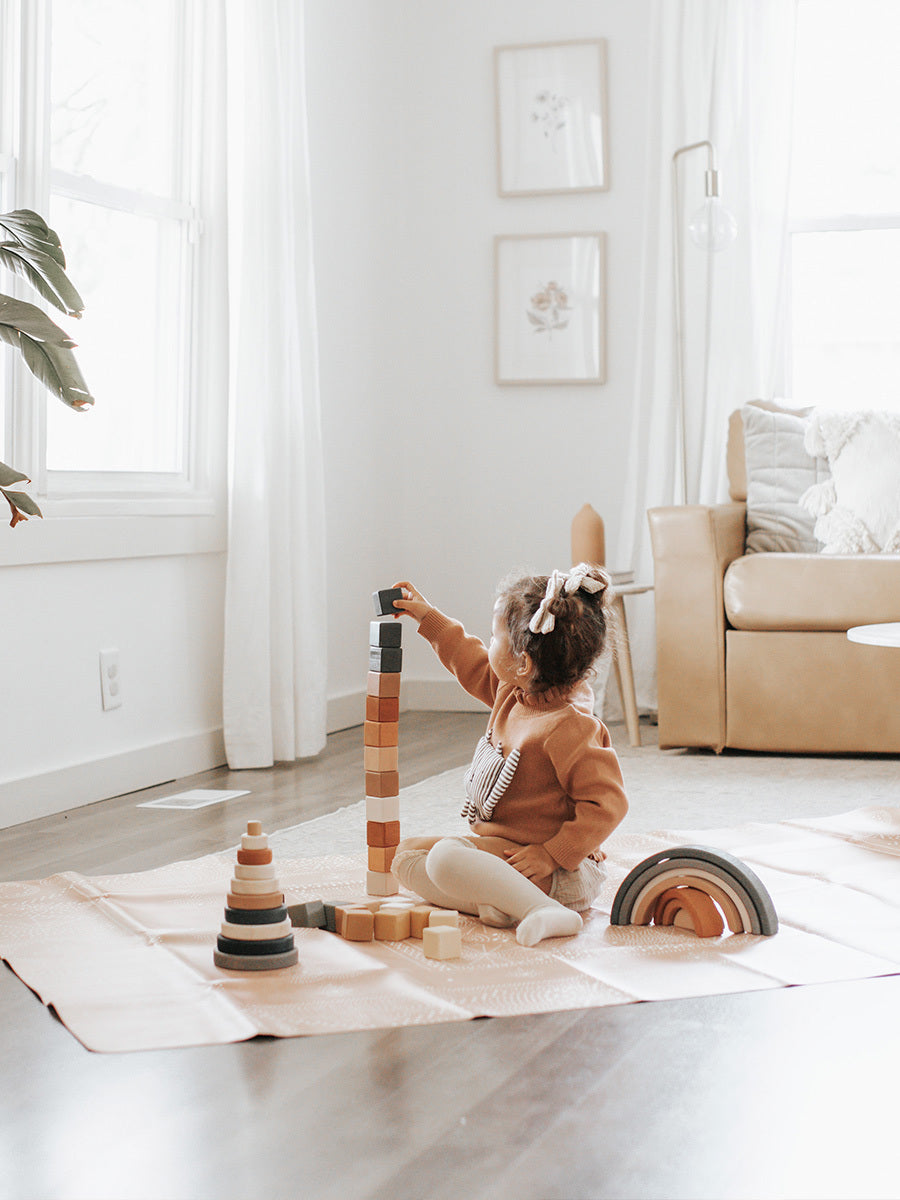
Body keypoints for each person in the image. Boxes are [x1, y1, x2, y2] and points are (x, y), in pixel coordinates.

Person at [390, 565, 628, 947]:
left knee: (443, 859)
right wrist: (426, 615)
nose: (487, 646)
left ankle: (543, 909)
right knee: (405, 858)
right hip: (511, 855)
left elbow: (608, 804)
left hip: (562, 872)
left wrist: (552, 854)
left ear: (523, 663)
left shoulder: (571, 726)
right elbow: (467, 659)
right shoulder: (513, 691)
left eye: (494, 637)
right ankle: (506, 902)